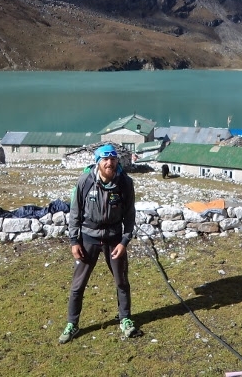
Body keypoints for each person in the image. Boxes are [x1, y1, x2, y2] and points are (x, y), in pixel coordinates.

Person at [59, 143, 139, 343]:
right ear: (98, 161)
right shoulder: (85, 181)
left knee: (121, 281)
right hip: (88, 238)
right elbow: (75, 213)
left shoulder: (125, 183)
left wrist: (124, 241)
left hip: (114, 239)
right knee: (78, 284)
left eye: (112, 159)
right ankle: (72, 324)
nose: (109, 163)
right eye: (105, 159)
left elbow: (130, 215)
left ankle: (125, 319)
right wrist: (74, 241)